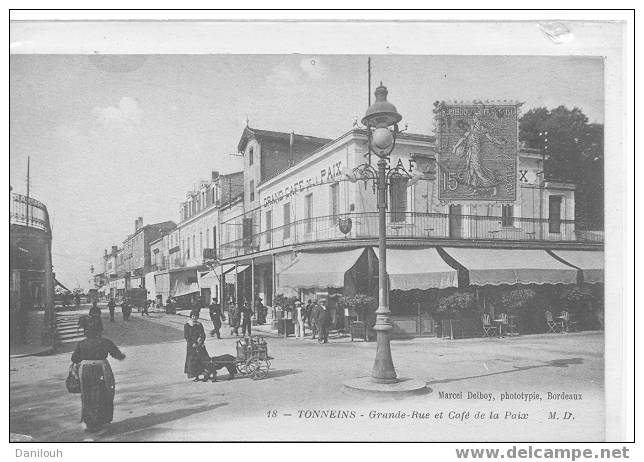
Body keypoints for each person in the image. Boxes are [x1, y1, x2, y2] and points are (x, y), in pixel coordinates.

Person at [71, 316, 125, 432]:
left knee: (87, 395)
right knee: (103, 394)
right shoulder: (105, 342)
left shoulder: (81, 343)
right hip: (102, 369)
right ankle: (102, 421)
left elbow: (75, 358)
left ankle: (89, 422)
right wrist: (122, 356)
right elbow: (118, 355)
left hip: (85, 370)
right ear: (99, 331)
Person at [183, 312, 209, 381]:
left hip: (200, 345)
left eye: (196, 316)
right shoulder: (187, 325)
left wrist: (200, 342)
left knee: (203, 360)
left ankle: (206, 374)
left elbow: (203, 335)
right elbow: (186, 336)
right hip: (192, 347)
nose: (194, 318)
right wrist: (192, 343)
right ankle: (196, 376)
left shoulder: (199, 324)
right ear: (190, 317)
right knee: (193, 362)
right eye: (193, 316)